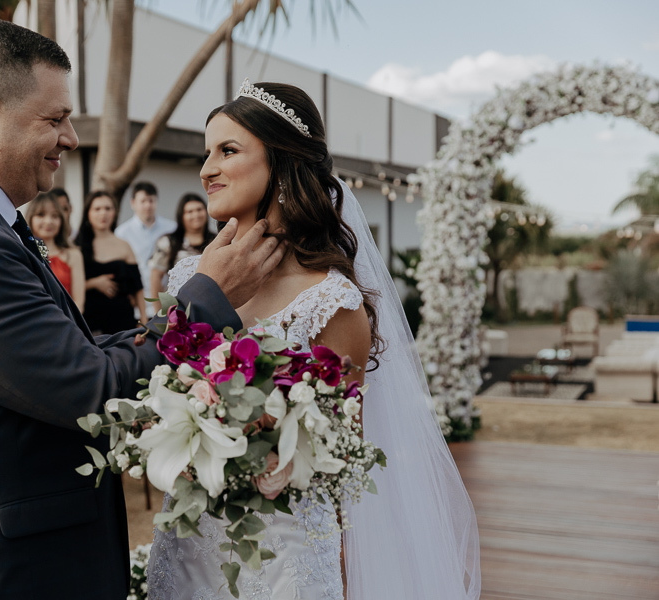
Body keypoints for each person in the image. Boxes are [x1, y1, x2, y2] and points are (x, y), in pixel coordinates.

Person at [0, 21, 284, 599]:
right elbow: (91, 389)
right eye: (55, 118)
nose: (70, 138)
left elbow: (69, 354)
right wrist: (207, 299)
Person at [148, 80, 481, 599]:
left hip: (283, 557)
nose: (206, 168)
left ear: (281, 164)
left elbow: (340, 462)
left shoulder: (331, 303)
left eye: (227, 150)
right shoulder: (186, 282)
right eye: (205, 152)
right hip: (188, 534)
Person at [75, 190, 145, 334]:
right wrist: (94, 283)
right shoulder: (76, 246)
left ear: (115, 212)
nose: (103, 213)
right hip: (89, 323)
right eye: (97, 209)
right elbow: (66, 285)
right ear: (88, 212)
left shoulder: (124, 245)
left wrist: (144, 321)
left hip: (122, 321)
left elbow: (137, 286)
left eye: (108, 208)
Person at [114, 181, 175, 316]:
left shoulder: (171, 229)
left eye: (151, 201)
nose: (148, 205)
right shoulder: (121, 233)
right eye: (143, 201)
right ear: (133, 203)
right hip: (136, 306)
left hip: (167, 304)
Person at [148, 192, 215, 309]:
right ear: (181, 216)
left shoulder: (216, 241)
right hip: (177, 309)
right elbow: (156, 277)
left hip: (211, 307)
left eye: (199, 209)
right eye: (190, 212)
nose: (196, 215)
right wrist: (159, 312)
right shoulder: (168, 242)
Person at [25, 189, 85, 310]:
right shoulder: (22, 252)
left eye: (55, 216)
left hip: (67, 323)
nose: (48, 221)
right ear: (30, 217)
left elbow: (79, 303)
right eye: (41, 214)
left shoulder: (73, 254)